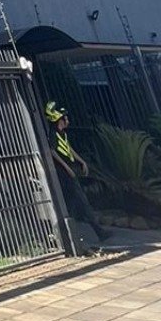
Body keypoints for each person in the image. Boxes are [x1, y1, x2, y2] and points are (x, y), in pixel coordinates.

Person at [45, 101, 108, 247]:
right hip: (64, 173)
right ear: (59, 119)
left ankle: (70, 235)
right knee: (81, 200)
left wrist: (81, 161)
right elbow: (52, 151)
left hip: (70, 169)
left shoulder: (63, 134)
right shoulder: (53, 134)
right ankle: (98, 231)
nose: (68, 120)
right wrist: (67, 168)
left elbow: (69, 149)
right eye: (65, 118)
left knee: (72, 203)